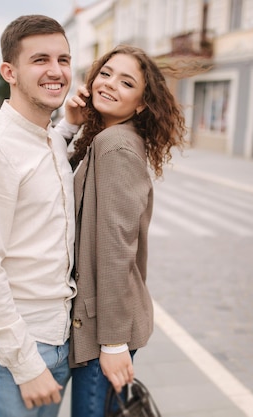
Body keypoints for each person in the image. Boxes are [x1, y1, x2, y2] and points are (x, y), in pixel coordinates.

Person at [0, 15, 79, 417]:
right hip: (12, 350)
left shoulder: (48, 137)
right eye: (40, 60)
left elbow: (43, 152)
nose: (56, 71)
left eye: (64, 59)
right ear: (10, 71)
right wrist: (26, 366)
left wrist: (71, 124)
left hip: (57, 338)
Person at [59, 45, 187, 417]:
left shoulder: (114, 144)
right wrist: (72, 120)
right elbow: (59, 187)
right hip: (103, 320)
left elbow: (117, 248)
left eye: (126, 82)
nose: (110, 84)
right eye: (107, 73)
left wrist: (113, 343)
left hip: (105, 328)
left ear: (141, 104)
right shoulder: (105, 137)